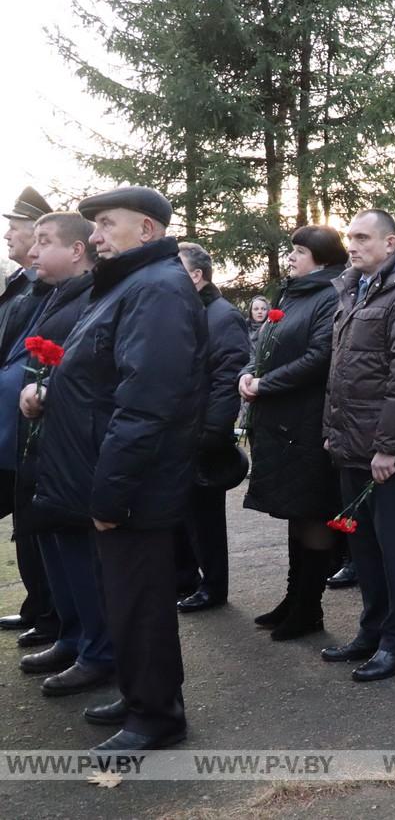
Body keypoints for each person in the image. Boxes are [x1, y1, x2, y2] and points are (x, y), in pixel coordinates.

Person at [24, 185, 206, 751]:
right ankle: (139, 695)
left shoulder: (157, 291)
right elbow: (99, 373)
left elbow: (148, 402)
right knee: (124, 601)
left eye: (105, 224)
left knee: (141, 603)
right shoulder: (129, 284)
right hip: (111, 475)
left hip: (133, 485)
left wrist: (111, 494)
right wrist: (52, 391)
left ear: (146, 230)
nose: (95, 237)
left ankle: (157, 717)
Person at [321, 209, 395, 682]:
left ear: (392, 244)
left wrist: (388, 447)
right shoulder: (353, 290)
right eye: (350, 237)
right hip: (351, 446)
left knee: (392, 551)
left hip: (384, 453)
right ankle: (371, 631)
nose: (352, 245)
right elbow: (343, 372)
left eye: (364, 237)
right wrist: (332, 431)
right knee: (363, 549)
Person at [14, 212, 115, 698]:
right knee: (54, 544)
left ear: (77, 251)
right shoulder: (56, 295)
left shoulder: (92, 299)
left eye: (44, 242)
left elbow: (94, 374)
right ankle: (73, 635)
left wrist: (46, 390)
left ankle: (98, 649)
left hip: (75, 448)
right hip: (46, 446)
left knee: (79, 553)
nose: (33, 253)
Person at [240, 226, 347, 640]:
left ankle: (309, 607)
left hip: (307, 422)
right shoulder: (292, 294)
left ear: (321, 258)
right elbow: (262, 344)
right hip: (279, 422)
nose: (290, 258)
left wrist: (267, 383)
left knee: (313, 513)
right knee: (294, 514)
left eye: (299, 252)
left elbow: (320, 356)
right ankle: (293, 597)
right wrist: (249, 373)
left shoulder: (328, 296)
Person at [174, 243, 251, 613]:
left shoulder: (222, 316)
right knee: (180, 512)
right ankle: (185, 578)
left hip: (202, 434)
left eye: (178, 270)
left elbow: (227, 377)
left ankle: (213, 586)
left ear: (196, 276)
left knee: (205, 518)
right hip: (178, 432)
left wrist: (211, 433)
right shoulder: (182, 311)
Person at [0, 186, 57, 646]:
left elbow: (30, 358)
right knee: (25, 523)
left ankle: (47, 612)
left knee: (33, 523)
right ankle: (38, 607)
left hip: (21, 422)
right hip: (10, 421)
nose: (7, 236)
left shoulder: (43, 288)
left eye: (14, 229)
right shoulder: (22, 284)